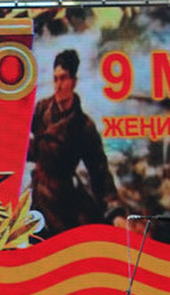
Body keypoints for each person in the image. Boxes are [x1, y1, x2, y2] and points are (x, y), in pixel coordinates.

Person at [28, 49, 121, 238]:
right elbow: (25, 141)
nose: (58, 85)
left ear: (74, 82)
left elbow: (99, 169)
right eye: (55, 79)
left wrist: (114, 209)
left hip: (63, 196)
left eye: (63, 79)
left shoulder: (83, 126)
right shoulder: (41, 109)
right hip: (39, 193)